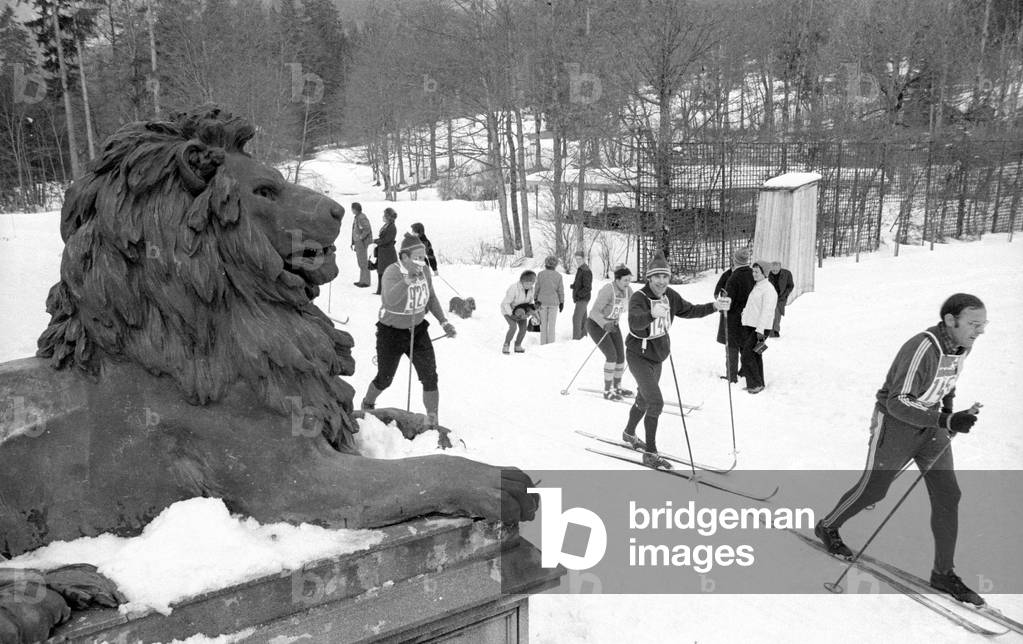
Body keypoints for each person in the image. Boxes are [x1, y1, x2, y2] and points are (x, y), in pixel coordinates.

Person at [815, 293, 987, 606]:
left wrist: (949, 415)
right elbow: (898, 401)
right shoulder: (922, 347)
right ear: (950, 320)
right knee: (874, 490)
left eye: (983, 324)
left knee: (948, 494)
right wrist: (947, 419)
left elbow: (947, 382)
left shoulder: (962, 346)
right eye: (974, 324)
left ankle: (943, 573)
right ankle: (828, 526)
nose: (980, 330)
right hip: (896, 424)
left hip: (931, 425)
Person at [623, 253, 730, 468]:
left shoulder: (670, 295)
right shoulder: (639, 298)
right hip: (638, 356)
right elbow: (635, 323)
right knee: (655, 402)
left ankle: (628, 433)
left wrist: (715, 306)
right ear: (649, 278)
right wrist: (651, 314)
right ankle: (650, 453)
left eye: (665, 276)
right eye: (657, 277)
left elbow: (690, 310)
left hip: (657, 356)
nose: (662, 281)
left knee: (645, 399)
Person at [361, 233, 457, 428]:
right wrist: (406, 282)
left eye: (423, 257)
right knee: (385, 378)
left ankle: (432, 421)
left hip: (418, 331)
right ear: (404, 257)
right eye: (417, 258)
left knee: (430, 376)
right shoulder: (392, 272)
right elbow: (389, 300)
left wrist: (444, 322)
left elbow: (431, 298)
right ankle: (368, 403)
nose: (422, 262)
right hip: (391, 333)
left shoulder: (425, 271)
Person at [587, 264, 634, 400]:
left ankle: (617, 387)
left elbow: (636, 305)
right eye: (625, 280)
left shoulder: (628, 290)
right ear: (617, 280)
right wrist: (604, 324)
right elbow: (594, 312)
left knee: (620, 356)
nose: (628, 283)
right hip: (597, 324)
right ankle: (607, 390)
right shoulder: (608, 290)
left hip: (613, 324)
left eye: (629, 280)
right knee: (611, 355)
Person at [739, 262, 778, 394]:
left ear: (764, 273)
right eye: (753, 271)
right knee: (755, 355)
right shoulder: (757, 286)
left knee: (747, 355)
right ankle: (759, 383)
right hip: (751, 325)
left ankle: (755, 384)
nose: (754, 274)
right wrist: (744, 316)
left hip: (760, 328)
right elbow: (751, 305)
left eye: (757, 272)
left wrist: (760, 330)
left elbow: (767, 312)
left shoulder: (769, 290)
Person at [722, 248, 755, 383]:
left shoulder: (734, 277)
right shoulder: (753, 273)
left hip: (734, 317)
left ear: (735, 260)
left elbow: (728, 300)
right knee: (744, 344)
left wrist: (722, 305)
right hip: (749, 315)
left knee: (732, 346)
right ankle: (745, 371)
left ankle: (731, 375)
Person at [500, 270, 538, 354]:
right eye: (527, 283)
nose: (529, 285)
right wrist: (511, 314)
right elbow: (506, 303)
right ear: (522, 281)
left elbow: (529, 302)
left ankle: (518, 345)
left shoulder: (532, 289)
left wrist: (529, 312)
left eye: (532, 283)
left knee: (523, 329)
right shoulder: (514, 288)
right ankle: (506, 345)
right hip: (508, 310)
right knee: (513, 327)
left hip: (521, 311)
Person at [534, 255, 564, 345]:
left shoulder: (540, 274)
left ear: (546, 263)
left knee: (543, 325)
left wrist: (535, 298)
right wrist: (562, 302)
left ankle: (543, 344)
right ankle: (551, 345)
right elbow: (560, 290)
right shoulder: (558, 276)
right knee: (552, 325)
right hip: (554, 303)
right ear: (555, 265)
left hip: (541, 302)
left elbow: (537, 288)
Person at [372, 207, 398, 295]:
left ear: (388, 217)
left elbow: (386, 240)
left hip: (388, 253)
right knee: (381, 271)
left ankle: (385, 291)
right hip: (383, 252)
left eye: (384, 215)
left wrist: (375, 241)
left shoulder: (392, 227)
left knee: (386, 272)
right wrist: (376, 241)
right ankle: (380, 290)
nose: (383, 216)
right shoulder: (387, 225)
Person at [570, 250, 593, 340]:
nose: (578, 261)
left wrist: (579, 294)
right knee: (583, 317)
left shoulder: (586, 270)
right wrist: (574, 286)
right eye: (576, 259)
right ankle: (583, 337)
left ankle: (576, 338)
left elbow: (588, 287)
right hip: (581, 297)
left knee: (576, 318)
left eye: (579, 259)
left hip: (583, 298)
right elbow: (581, 283)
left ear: (584, 259)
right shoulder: (581, 269)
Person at [768, 261, 794, 337]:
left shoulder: (787, 273)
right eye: (773, 270)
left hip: (781, 297)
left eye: (776, 270)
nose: (774, 272)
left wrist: (785, 294)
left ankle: (775, 330)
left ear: (780, 268)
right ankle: (770, 330)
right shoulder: (767, 274)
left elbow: (790, 285)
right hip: (770, 296)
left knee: (777, 312)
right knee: (770, 313)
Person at [350, 202, 373, 287]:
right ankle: (362, 280)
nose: (352, 210)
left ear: (355, 209)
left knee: (363, 262)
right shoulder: (357, 217)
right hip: (358, 242)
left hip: (362, 243)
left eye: (352, 209)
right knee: (361, 262)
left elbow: (367, 229)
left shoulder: (361, 217)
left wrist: (360, 237)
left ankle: (366, 282)